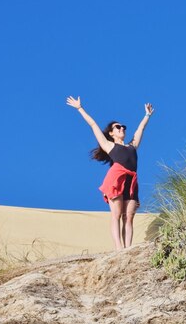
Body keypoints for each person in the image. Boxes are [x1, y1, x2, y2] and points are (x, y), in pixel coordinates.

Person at [66, 96, 154, 250]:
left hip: (132, 181)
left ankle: (128, 249)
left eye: (123, 127)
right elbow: (93, 125)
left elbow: (141, 129)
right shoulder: (109, 146)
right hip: (116, 178)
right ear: (112, 133)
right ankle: (119, 249)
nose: (122, 129)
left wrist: (147, 115)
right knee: (117, 215)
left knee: (129, 217)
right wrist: (80, 108)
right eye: (118, 127)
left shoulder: (132, 146)